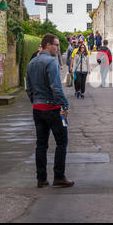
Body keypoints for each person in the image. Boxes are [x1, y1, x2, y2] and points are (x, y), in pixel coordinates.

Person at [26, 34, 74, 189]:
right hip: (52, 108)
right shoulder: (51, 62)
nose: (58, 48)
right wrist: (65, 106)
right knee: (61, 142)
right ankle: (59, 176)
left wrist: (35, 101)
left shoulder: (32, 63)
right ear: (48, 45)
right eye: (56, 45)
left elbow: (29, 88)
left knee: (41, 144)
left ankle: (41, 178)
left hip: (37, 109)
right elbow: (56, 87)